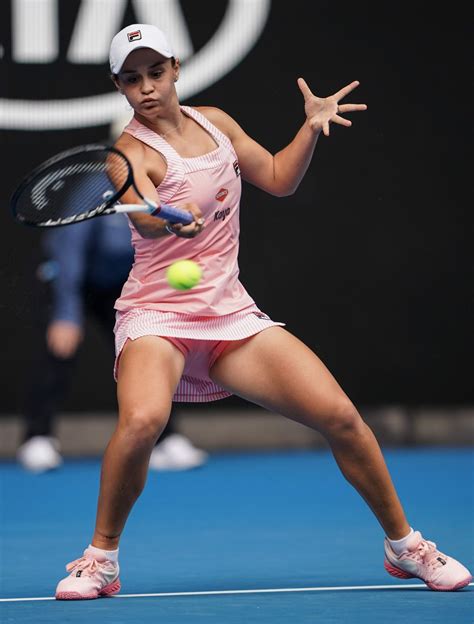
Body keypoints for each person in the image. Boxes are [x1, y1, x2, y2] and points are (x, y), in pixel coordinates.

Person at [55, 23, 471, 599]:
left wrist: (310, 128)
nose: (147, 87)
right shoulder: (126, 154)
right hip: (156, 316)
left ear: (175, 69)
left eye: (155, 72)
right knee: (144, 422)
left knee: (343, 418)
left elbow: (278, 178)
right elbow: (145, 216)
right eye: (132, 79)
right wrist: (167, 216)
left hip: (230, 314)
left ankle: (405, 548)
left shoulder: (217, 122)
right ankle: (101, 561)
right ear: (119, 87)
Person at [17, 209, 208, 473]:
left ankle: (166, 439)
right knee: (59, 352)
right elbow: (70, 253)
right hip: (70, 279)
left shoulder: (157, 194)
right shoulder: (98, 193)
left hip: (117, 283)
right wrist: (66, 314)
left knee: (147, 351)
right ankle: (37, 439)